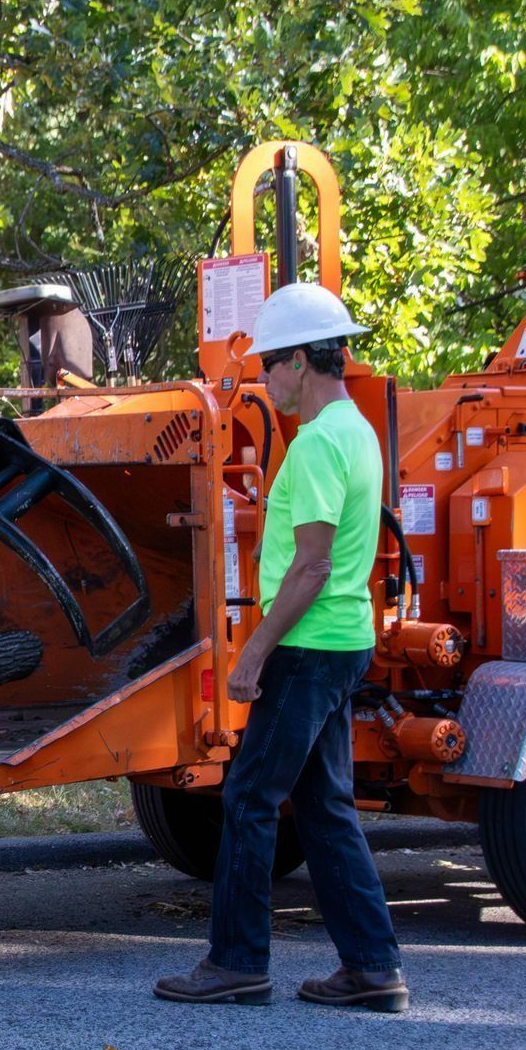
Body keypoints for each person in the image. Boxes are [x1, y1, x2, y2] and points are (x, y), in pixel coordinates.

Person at [153, 281, 407, 1012]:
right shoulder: (355, 430)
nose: (266, 379)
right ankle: (371, 967)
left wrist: (255, 652)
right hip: (339, 639)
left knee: (250, 795)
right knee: (323, 803)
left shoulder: (323, 442)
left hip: (307, 645)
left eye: (271, 365)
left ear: (302, 360)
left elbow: (313, 565)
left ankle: (236, 962)